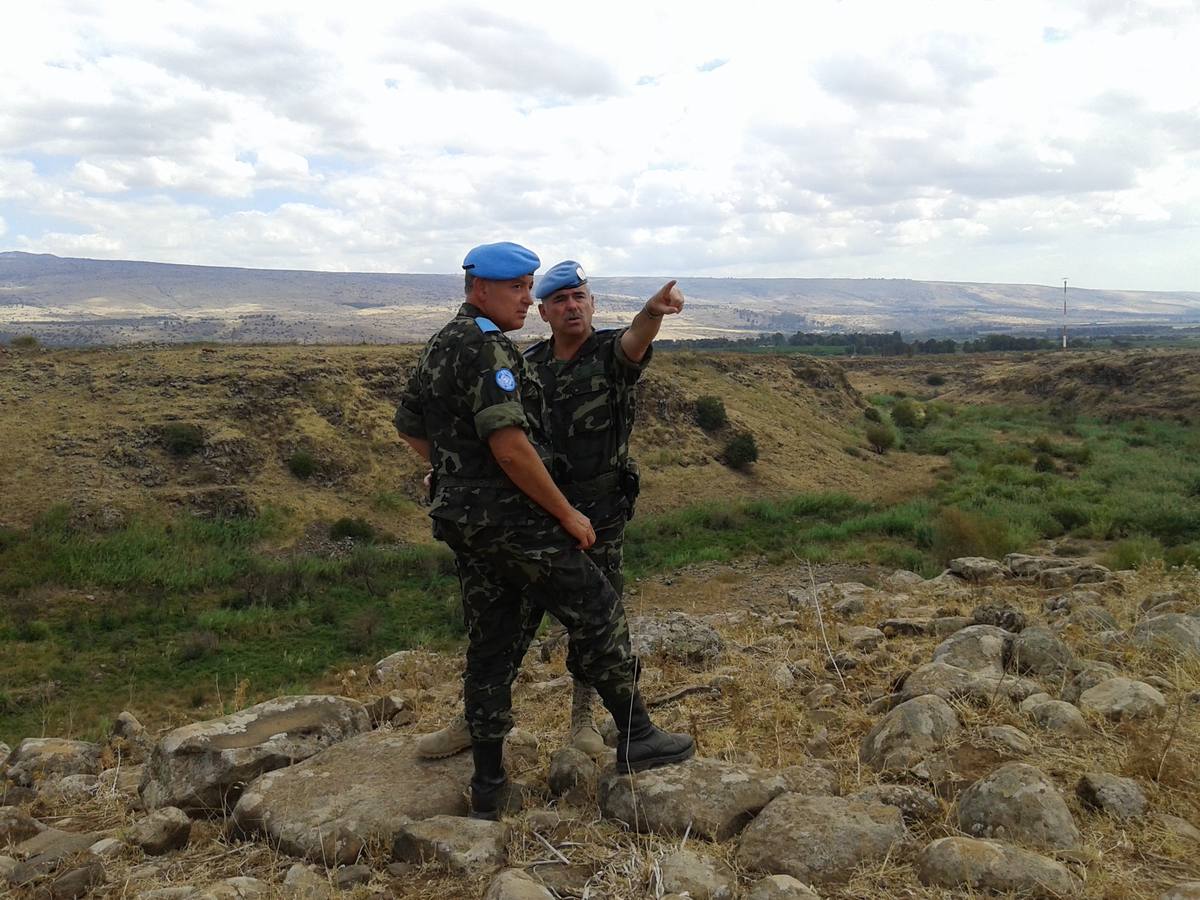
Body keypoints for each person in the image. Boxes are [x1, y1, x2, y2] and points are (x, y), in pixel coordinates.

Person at [394, 242, 694, 820]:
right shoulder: (500, 354)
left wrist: (456, 471)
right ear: (482, 289)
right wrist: (557, 511)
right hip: (522, 518)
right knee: (595, 612)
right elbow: (510, 447)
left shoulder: (444, 344)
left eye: (564, 293)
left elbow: (412, 426)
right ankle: (636, 735)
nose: (536, 300)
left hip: (505, 520)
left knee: (495, 637)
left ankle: (491, 786)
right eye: (528, 291)